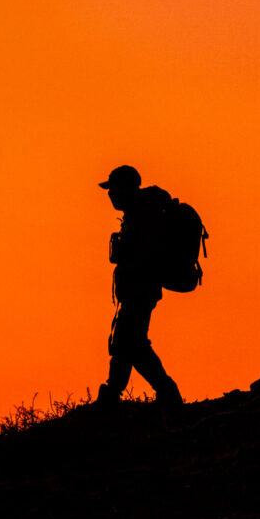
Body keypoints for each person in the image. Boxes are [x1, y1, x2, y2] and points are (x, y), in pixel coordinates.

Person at [97, 165, 184, 408]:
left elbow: (147, 252)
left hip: (141, 288)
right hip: (137, 288)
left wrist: (131, 266)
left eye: (113, 188)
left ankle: (166, 391)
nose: (110, 194)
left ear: (126, 187)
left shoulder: (145, 213)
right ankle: (112, 395)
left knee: (130, 343)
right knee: (126, 343)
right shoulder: (139, 211)